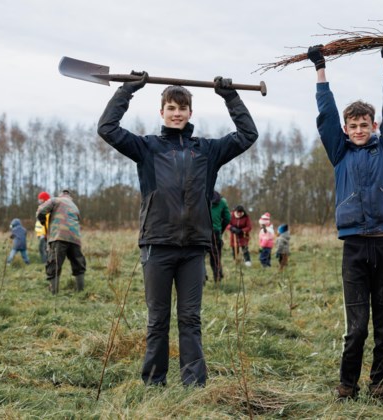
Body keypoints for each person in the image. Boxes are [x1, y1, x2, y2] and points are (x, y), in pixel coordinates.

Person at [97, 71, 258, 387]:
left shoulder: (207, 150)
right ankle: (154, 382)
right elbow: (107, 128)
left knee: (190, 320)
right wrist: (127, 91)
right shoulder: (147, 148)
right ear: (162, 112)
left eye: (182, 108)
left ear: (190, 113)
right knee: (157, 321)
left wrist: (231, 96)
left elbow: (247, 134)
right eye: (171, 108)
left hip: (194, 248)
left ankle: (194, 384)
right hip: (157, 245)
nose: (177, 113)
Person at [308, 34, 383, 402]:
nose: (359, 129)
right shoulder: (339, 152)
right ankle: (346, 387)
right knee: (357, 328)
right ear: (347, 130)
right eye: (354, 125)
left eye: (365, 123)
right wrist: (320, 69)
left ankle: (380, 388)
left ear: (374, 125)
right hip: (354, 246)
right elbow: (325, 115)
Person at [36, 189, 86, 294]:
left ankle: (54, 292)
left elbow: (41, 210)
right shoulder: (74, 206)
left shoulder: (56, 200)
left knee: (54, 263)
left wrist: (42, 219)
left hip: (59, 236)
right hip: (75, 238)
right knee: (78, 263)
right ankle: (81, 292)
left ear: (61, 195)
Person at [209, 190, 231, 282]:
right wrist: (220, 229)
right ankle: (218, 278)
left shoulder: (201, 198)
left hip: (200, 231)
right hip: (216, 232)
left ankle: (201, 279)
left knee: (199, 257)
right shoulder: (222, 201)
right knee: (216, 256)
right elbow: (227, 218)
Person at [35, 191, 51, 264]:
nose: (39, 201)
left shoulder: (46, 209)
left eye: (40, 199)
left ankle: (46, 263)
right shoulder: (41, 208)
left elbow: (46, 222)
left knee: (43, 249)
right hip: (41, 234)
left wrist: (44, 233)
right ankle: (47, 262)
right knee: (44, 249)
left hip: (44, 234)